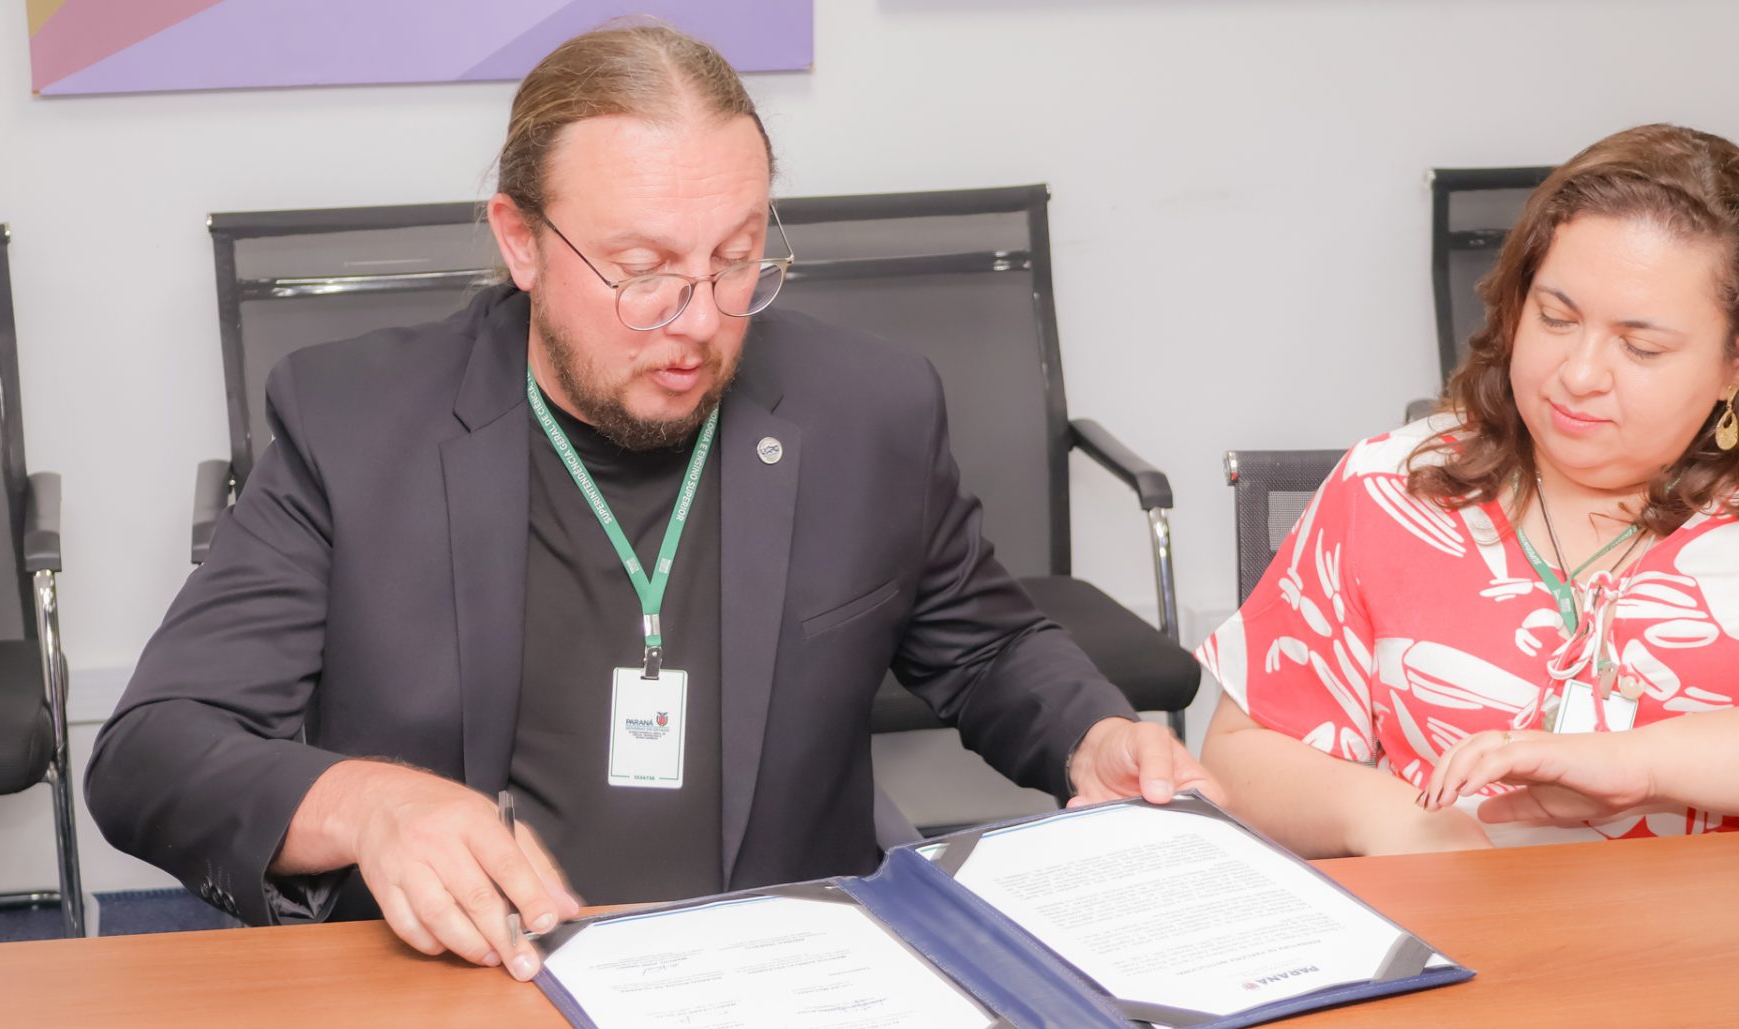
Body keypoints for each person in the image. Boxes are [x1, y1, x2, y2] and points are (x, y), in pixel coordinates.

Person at [85, 23, 1214, 977]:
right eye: (642, 271)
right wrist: (371, 806)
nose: (701, 320)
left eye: (736, 258)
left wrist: (1092, 733)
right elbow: (153, 750)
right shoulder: (353, 425)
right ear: (521, 241)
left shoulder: (867, 409)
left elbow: (987, 646)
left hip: (784, 969)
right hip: (478, 988)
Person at [1198, 123, 1739, 857]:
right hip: (1451, 919)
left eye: (1640, 347)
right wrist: (1397, 821)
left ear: (1732, 365)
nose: (1580, 374)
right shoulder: (1392, 486)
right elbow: (1241, 755)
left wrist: (1644, 765)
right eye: (1555, 318)